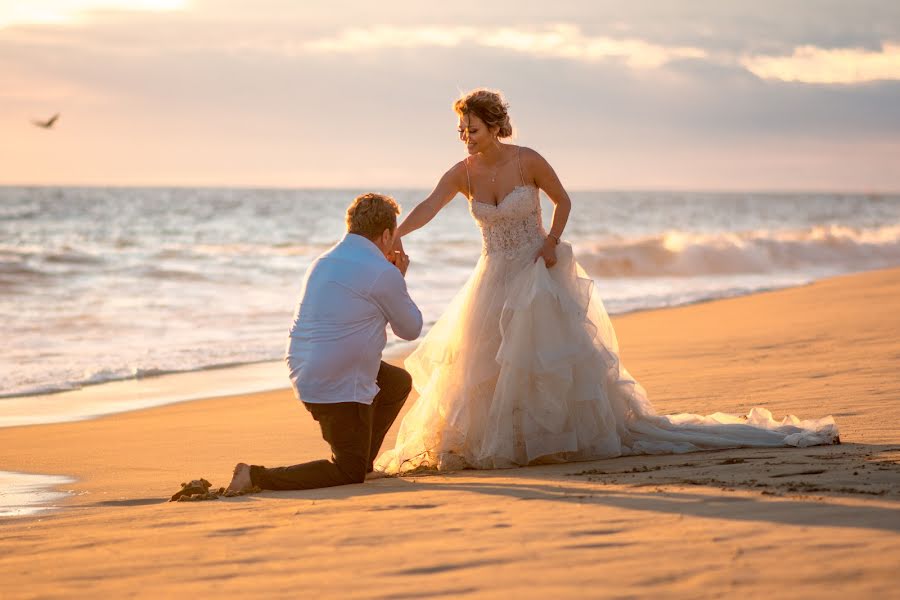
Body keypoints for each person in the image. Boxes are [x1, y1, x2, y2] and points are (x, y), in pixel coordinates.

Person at [375, 89, 839, 474]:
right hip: (492, 276)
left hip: (536, 271)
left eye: (472, 129)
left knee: (543, 363)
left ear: (495, 126)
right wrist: (394, 234)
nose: (465, 138)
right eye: (461, 131)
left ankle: (552, 439)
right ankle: (504, 440)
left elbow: (563, 201)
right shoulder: (463, 174)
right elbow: (429, 207)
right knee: (485, 365)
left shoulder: (527, 161)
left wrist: (552, 240)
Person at [228, 193, 422, 492]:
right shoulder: (383, 272)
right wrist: (399, 278)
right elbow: (410, 329)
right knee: (347, 472)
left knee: (396, 382)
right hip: (338, 385)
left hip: (305, 370)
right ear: (386, 235)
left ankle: (363, 460)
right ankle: (255, 476)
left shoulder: (323, 260)